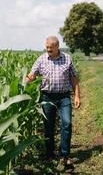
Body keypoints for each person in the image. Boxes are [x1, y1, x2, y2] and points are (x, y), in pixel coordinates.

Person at [26, 35, 81, 166]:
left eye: (51, 47)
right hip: (47, 97)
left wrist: (77, 95)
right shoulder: (41, 59)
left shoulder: (67, 58)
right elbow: (32, 75)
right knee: (48, 127)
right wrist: (24, 82)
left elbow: (74, 78)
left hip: (64, 97)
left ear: (57, 47)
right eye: (47, 47)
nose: (48, 49)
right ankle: (49, 154)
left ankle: (64, 155)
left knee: (67, 123)